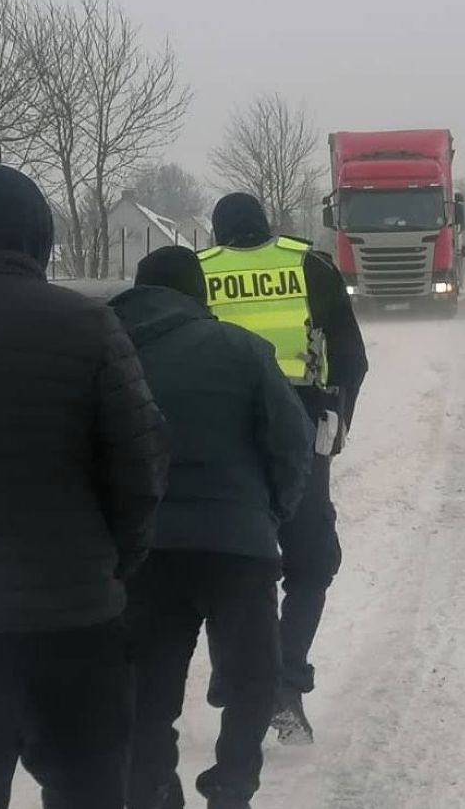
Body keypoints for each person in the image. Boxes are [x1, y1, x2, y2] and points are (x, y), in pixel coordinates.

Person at [0, 164, 168, 809]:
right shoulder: (89, 325)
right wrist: (115, 562)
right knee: (87, 784)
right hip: (76, 616)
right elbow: (141, 464)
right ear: (38, 235)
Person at [113, 248, 314, 809]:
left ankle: (152, 791)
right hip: (239, 547)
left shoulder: (111, 354)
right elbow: (292, 442)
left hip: (146, 551)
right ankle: (232, 785)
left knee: (148, 690)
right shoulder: (242, 349)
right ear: (199, 294)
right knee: (253, 678)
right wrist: (271, 512)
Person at [200, 193, 367, 743]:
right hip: (299, 429)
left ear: (218, 233)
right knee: (311, 561)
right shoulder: (308, 265)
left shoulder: (200, 273)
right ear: (266, 226)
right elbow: (352, 357)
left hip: (223, 436)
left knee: (232, 561)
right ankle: (284, 681)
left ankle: (236, 676)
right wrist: (335, 423)